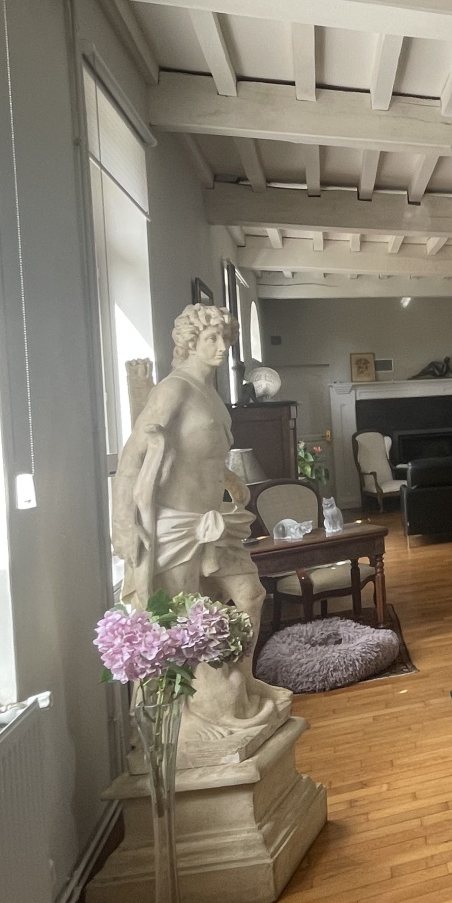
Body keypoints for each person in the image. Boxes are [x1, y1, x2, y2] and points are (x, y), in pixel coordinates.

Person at [111, 304, 291, 765]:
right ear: (190, 342)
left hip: (212, 520)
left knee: (250, 595)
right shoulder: (173, 390)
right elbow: (132, 457)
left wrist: (230, 479)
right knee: (178, 622)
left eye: (225, 338)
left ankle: (243, 681)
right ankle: (189, 713)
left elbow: (201, 452)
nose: (222, 346)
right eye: (212, 338)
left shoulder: (210, 395)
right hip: (175, 525)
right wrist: (123, 524)